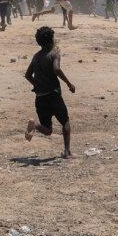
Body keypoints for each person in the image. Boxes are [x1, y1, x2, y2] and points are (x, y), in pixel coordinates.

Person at [24, 26, 75, 158]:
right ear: (52, 39)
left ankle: (35, 124)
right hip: (53, 95)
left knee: (47, 129)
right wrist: (69, 83)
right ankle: (67, 152)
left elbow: (28, 75)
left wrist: (37, 84)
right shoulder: (54, 53)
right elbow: (57, 69)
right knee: (65, 121)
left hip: (40, 97)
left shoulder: (36, 56)